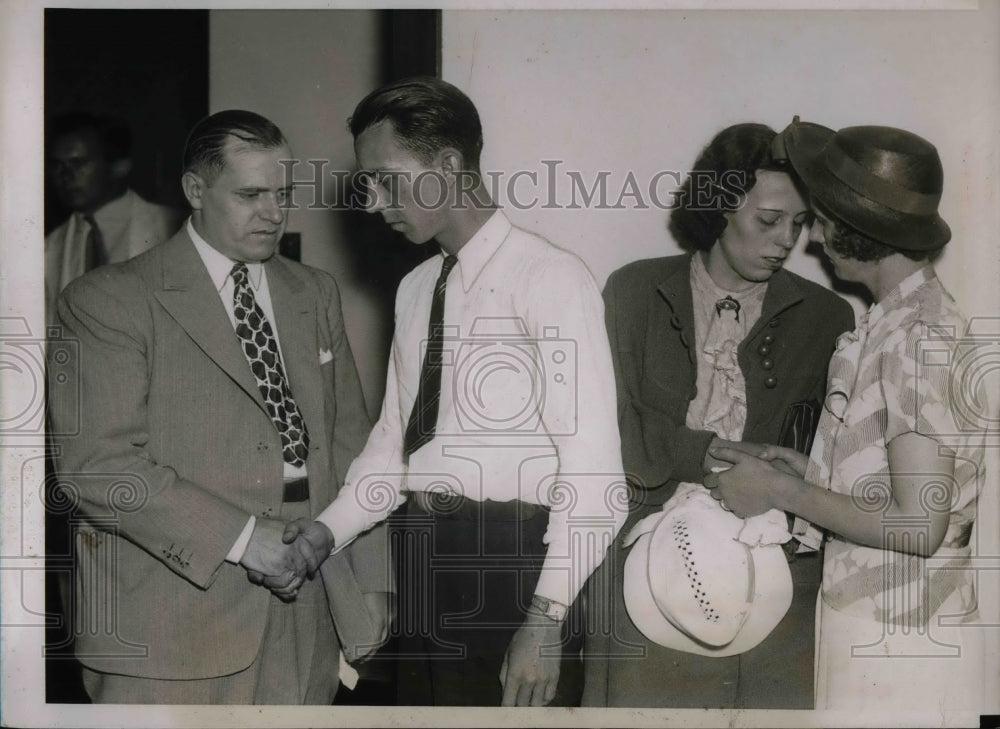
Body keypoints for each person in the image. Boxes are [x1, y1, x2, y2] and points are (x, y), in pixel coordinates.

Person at [282, 76, 627, 707]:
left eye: (386, 178)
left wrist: (546, 619)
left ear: (448, 166)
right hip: (425, 558)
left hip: (518, 569)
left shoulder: (551, 279)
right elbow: (394, 449)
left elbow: (596, 477)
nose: (371, 201)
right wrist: (325, 533)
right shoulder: (415, 288)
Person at [46, 110, 391, 704]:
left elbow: (351, 444)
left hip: (309, 613)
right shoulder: (107, 300)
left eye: (283, 194)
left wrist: (371, 578)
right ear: (195, 190)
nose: (273, 212)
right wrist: (243, 539)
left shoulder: (314, 291)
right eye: (250, 194)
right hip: (166, 625)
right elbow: (97, 465)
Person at [708, 121, 988, 711]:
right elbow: (899, 492)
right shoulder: (898, 321)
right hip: (878, 626)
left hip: (899, 642)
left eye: (828, 219)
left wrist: (781, 491)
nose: (814, 238)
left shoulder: (915, 335)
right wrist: (811, 471)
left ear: (863, 230)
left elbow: (919, 525)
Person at [582, 123, 855, 709]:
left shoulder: (827, 316)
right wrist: (701, 454)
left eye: (800, 224)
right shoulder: (633, 292)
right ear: (721, 205)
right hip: (649, 566)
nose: (787, 240)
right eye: (769, 220)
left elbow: (830, 460)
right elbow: (603, 428)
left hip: (774, 575)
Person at [45, 112, 184, 325]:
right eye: (58, 165)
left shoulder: (174, 228)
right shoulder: (50, 248)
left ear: (118, 166)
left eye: (78, 163)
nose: (66, 176)